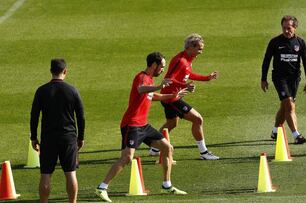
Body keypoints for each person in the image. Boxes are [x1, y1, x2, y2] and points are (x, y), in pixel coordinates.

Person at [95, 52, 188, 203]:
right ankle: (102, 187)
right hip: (131, 125)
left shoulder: (150, 80)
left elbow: (154, 96)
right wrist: (159, 86)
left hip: (143, 125)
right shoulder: (142, 77)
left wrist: (175, 95)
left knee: (167, 148)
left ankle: (166, 185)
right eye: (161, 67)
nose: (162, 70)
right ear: (153, 65)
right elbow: (141, 90)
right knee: (127, 157)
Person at [149, 33, 220, 160]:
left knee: (172, 123)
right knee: (198, 119)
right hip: (171, 98)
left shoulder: (187, 59)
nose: (201, 52)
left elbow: (188, 74)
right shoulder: (181, 61)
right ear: (190, 47)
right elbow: (169, 79)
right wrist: (185, 86)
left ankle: (155, 148)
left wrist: (207, 78)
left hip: (172, 96)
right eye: (199, 49)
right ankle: (204, 153)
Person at [30, 59, 85, 203]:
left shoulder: (41, 91)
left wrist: (34, 137)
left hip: (48, 138)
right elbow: (81, 117)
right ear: (65, 71)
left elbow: (34, 116)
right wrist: (81, 137)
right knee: (70, 173)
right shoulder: (72, 90)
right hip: (68, 137)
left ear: (50, 71)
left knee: (46, 174)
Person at [261, 15, 306, 144]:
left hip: (294, 79)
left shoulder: (300, 43)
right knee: (289, 104)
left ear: (295, 28)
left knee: (285, 107)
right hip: (279, 78)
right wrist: (263, 78)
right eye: (284, 28)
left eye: (289, 28)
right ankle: (297, 135)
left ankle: (275, 131)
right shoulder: (275, 42)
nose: (286, 31)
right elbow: (266, 60)